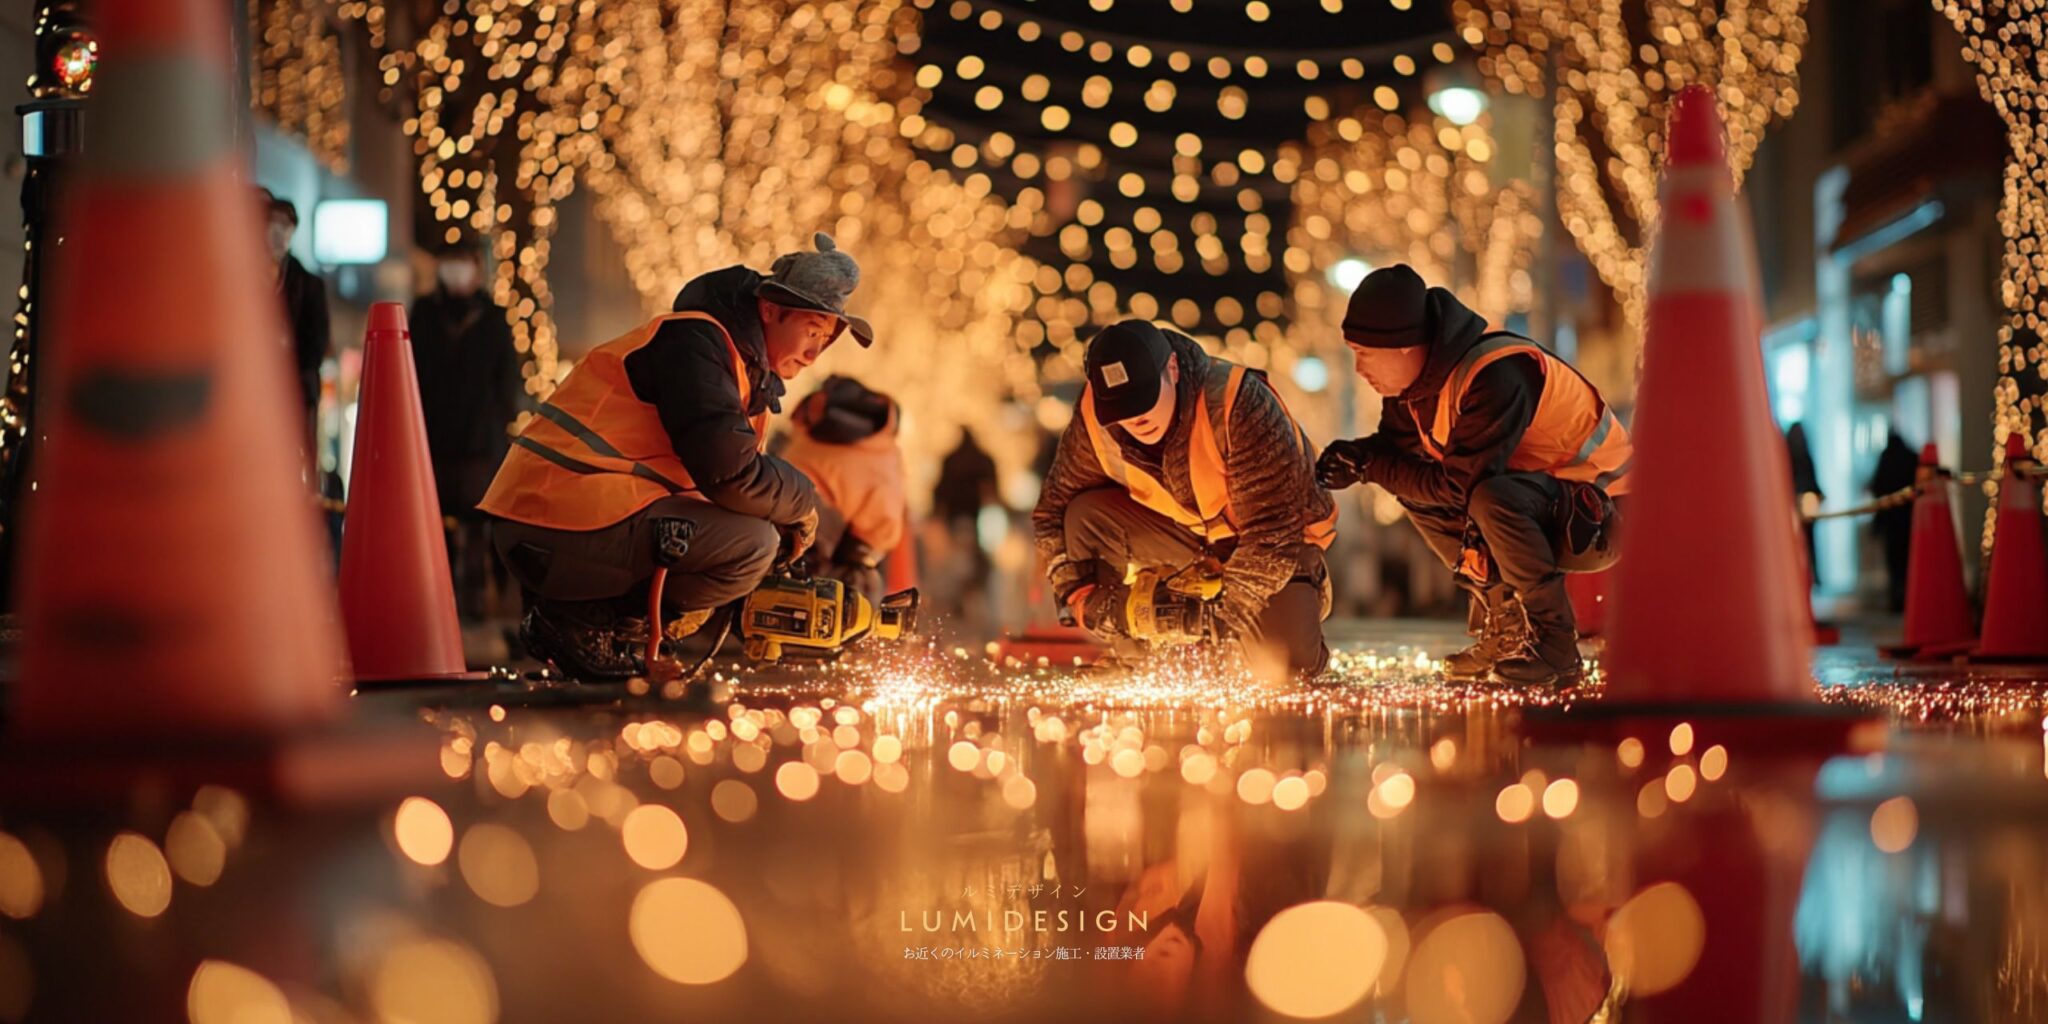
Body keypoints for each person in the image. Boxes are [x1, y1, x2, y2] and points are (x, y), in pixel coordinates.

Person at [478, 233, 872, 680]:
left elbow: (716, 483)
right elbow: (729, 473)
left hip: (570, 513)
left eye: (826, 339)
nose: (814, 352)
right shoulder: (697, 344)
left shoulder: (739, 368)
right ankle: (579, 622)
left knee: (758, 537)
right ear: (769, 309)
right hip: (552, 516)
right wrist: (802, 503)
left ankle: (610, 629)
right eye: (811, 330)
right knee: (752, 544)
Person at [1316, 264, 1631, 686]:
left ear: (1404, 347)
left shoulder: (1498, 373)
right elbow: (1395, 458)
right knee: (1414, 486)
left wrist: (1372, 466)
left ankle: (1556, 646)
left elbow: (1459, 487)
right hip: (1554, 505)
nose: (1359, 369)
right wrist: (1355, 456)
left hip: (1605, 514)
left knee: (1489, 497)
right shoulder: (1416, 388)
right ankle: (1508, 629)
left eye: (1364, 353)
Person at [1032, 319, 1338, 681]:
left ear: (1173, 369)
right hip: (1193, 541)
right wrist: (1079, 595)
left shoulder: (1236, 401)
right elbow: (1052, 511)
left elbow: (1273, 531)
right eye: (1121, 409)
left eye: (1144, 399)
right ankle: (1136, 660)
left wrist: (1215, 619)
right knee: (1083, 513)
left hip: (1277, 552)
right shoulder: (1094, 418)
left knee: (1284, 668)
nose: (1136, 418)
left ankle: (1302, 601)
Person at [410, 240, 521, 618]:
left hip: (479, 445)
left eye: (462, 263)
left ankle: (476, 608)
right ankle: (435, 606)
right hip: (434, 441)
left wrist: (496, 426)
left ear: (476, 269)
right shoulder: (425, 314)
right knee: (435, 529)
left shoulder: (492, 318)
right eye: (449, 263)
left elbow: (507, 382)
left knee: (478, 528)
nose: (455, 271)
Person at [778, 374, 909, 605]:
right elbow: (878, 529)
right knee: (863, 584)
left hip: (776, 507)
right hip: (820, 543)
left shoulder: (810, 432)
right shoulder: (885, 453)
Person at [259, 189, 330, 464]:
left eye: (286, 227)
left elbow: (316, 345)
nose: (280, 235)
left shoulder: (308, 285)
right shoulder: (239, 279)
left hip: (293, 395)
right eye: (273, 225)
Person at [1868, 430, 1919, 612]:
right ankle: (1907, 597)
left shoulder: (1887, 458)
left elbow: (1878, 487)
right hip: (1908, 520)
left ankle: (1897, 597)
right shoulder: (1911, 457)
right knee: (1906, 561)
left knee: (1895, 563)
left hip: (1891, 521)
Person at [1787, 422, 1824, 585]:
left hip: (1804, 503)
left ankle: (1811, 574)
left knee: (1808, 541)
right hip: (1797, 504)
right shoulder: (1792, 456)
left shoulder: (1797, 455)